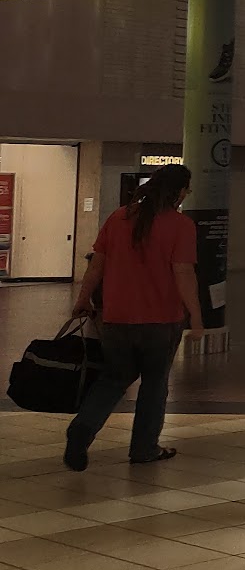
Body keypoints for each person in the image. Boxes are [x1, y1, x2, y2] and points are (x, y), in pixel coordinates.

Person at [64, 164, 200, 471]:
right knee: (154, 385)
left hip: (116, 317)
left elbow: (97, 264)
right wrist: (197, 317)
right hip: (161, 320)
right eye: (186, 189)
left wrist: (83, 299)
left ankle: (82, 428)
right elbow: (183, 273)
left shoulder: (118, 218)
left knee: (113, 379)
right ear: (179, 192)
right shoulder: (180, 225)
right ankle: (144, 448)